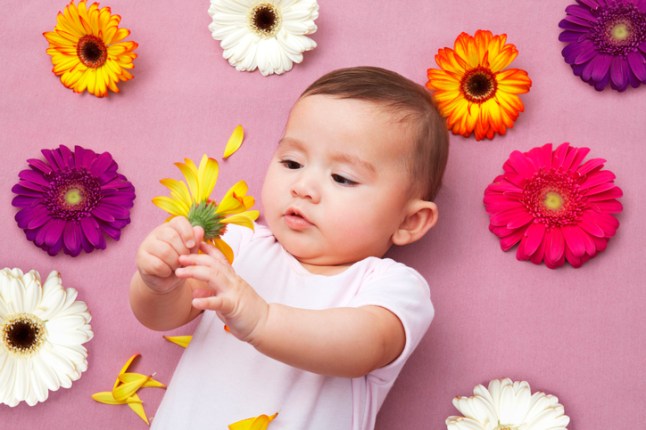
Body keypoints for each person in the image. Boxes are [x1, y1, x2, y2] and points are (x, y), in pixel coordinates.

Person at [130, 66, 449, 430]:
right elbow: (159, 317)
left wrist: (262, 320)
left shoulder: (389, 286)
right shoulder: (237, 245)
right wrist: (159, 283)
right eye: (291, 162)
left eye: (342, 178)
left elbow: (364, 345)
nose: (303, 186)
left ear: (409, 221)